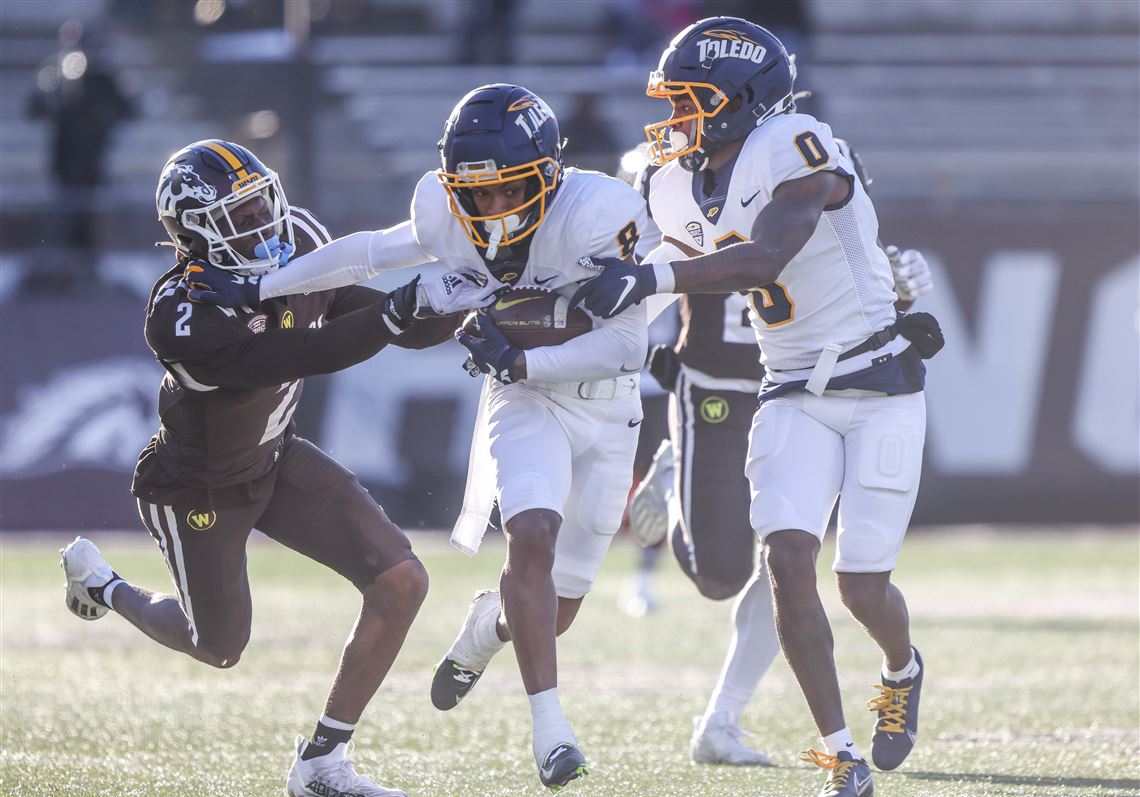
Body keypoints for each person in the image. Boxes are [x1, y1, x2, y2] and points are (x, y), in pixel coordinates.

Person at [183, 85, 649, 792]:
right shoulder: (446, 210)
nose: (493, 208)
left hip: (605, 402)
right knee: (531, 536)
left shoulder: (600, 213)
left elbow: (626, 346)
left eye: (508, 189)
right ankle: (552, 733)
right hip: (527, 399)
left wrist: (522, 356)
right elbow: (369, 253)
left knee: (559, 610)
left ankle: (486, 630)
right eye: (476, 193)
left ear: (549, 173)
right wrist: (261, 290)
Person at [571, 18, 943, 797]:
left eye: (690, 101)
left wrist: (649, 280)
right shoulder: (672, 180)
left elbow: (769, 253)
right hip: (788, 387)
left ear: (740, 100)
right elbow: (644, 272)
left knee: (861, 588)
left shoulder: (796, 144)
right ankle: (840, 754)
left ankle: (901, 667)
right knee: (785, 561)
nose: (675, 118)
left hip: (878, 385)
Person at [59, 139, 497, 797]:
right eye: (238, 214)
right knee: (219, 645)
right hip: (198, 484)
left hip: (277, 454)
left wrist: (464, 296)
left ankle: (322, 763)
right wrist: (402, 305)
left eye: (261, 201)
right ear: (195, 233)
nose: (262, 221)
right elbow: (305, 353)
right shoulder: (181, 315)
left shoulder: (301, 240)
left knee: (401, 580)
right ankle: (105, 586)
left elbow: (393, 325)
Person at [626, 142, 934, 769]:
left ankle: (726, 719)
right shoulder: (696, 186)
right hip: (724, 389)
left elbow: (854, 298)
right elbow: (650, 274)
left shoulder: (814, 182)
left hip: (804, 392)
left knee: (794, 562)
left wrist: (895, 294)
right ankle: (678, 461)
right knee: (721, 575)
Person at [27, 19, 134, 287]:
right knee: (65, 213)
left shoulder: (108, 74)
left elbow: (129, 108)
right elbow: (37, 108)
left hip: (95, 155)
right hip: (66, 156)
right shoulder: (56, 69)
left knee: (90, 216)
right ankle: (58, 269)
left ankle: (90, 268)